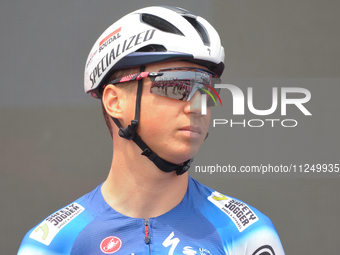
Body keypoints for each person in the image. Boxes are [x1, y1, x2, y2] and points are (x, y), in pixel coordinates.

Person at [18, 6, 285, 255]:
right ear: (115, 101)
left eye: (206, 90)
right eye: (176, 85)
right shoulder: (51, 245)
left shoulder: (249, 236)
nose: (197, 107)